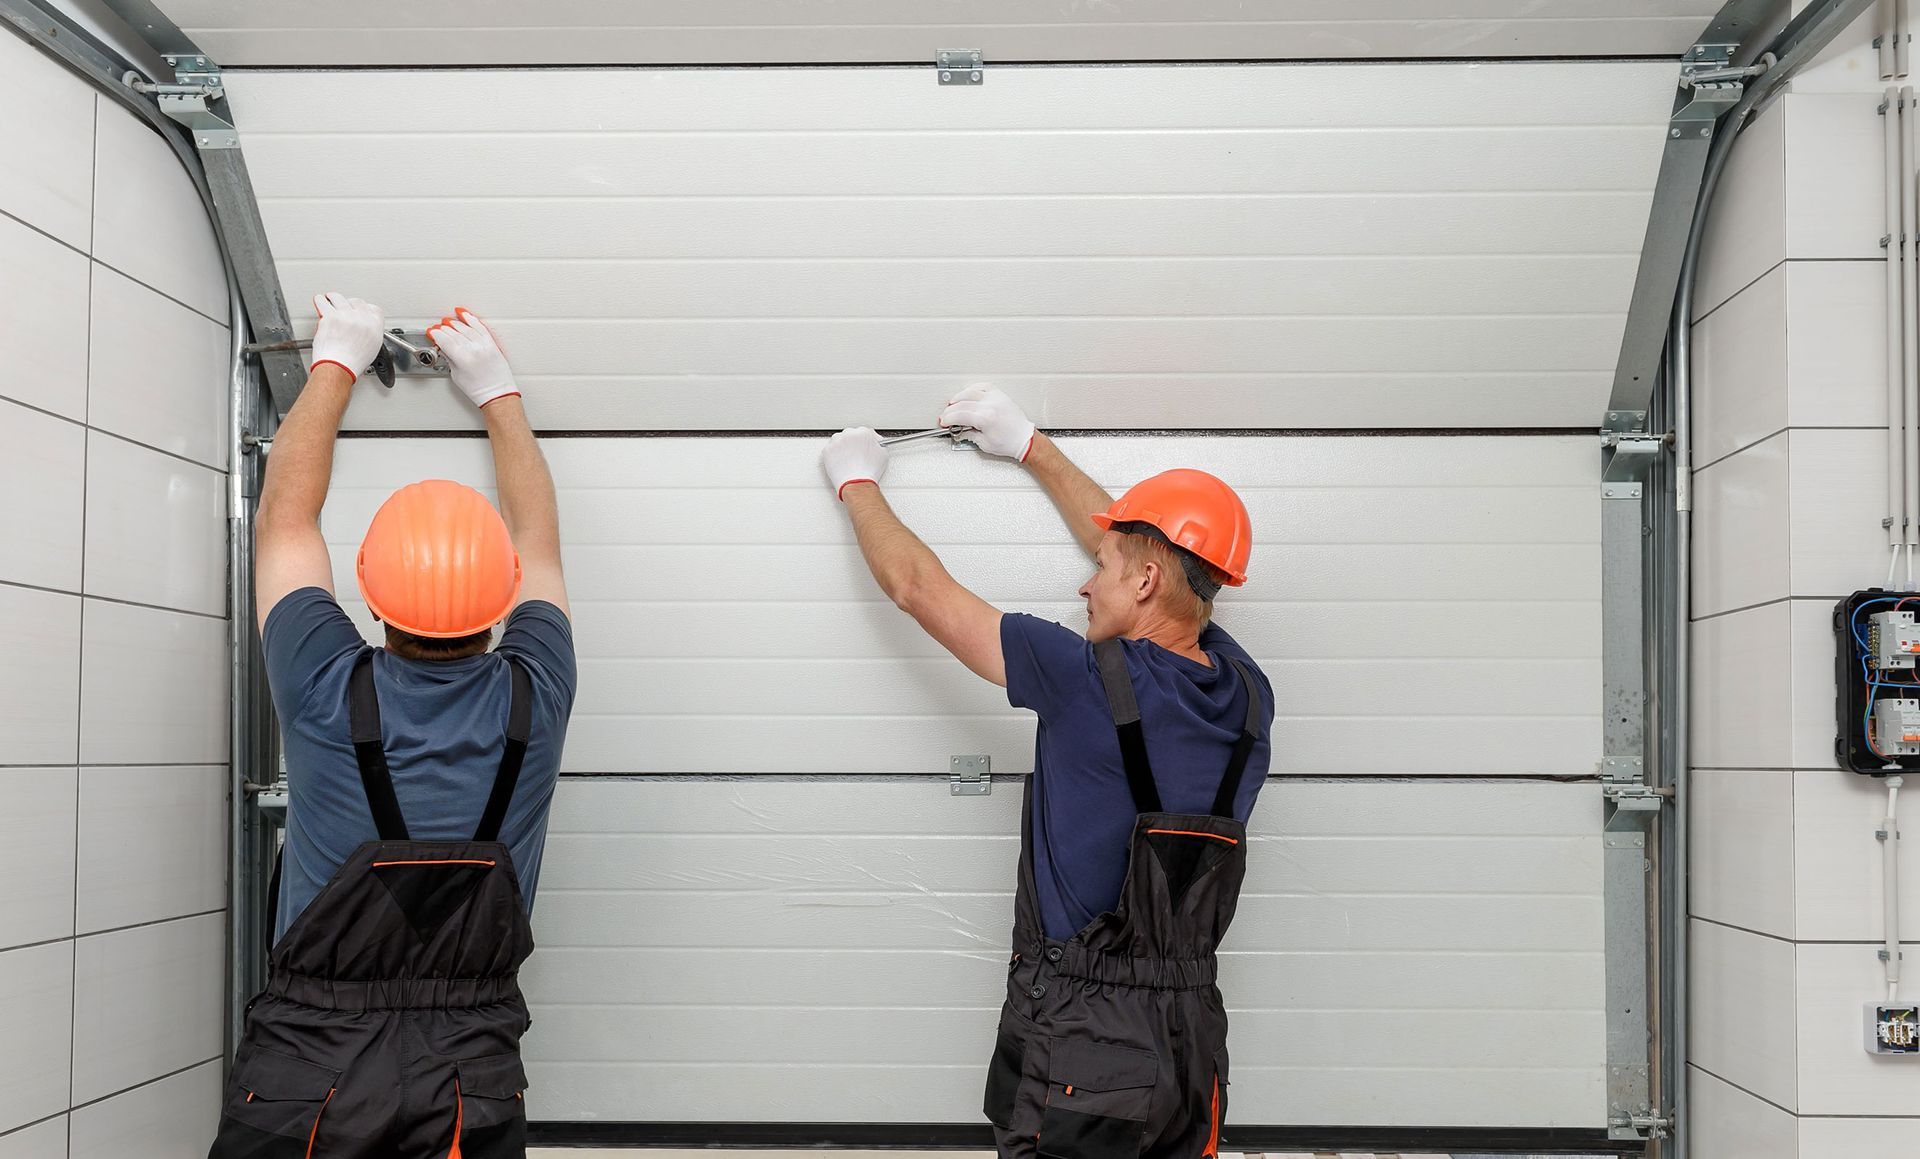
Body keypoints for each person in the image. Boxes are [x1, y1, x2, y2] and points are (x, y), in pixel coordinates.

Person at [822, 386, 1274, 1159]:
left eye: (1101, 566)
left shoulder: (1082, 678)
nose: (1083, 583)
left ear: (1142, 583)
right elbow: (1172, 569)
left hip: (1084, 1040)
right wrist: (1032, 446)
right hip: (1190, 1041)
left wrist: (854, 480)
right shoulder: (1244, 693)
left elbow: (918, 588)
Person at [210, 296, 575, 1159]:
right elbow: (543, 543)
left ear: (369, 598)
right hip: (467, 1075)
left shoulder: (323, 682)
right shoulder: (541, 692)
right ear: (505, 594)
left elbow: (285, 521)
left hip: (308, 1066)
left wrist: (336, 360)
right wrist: (499, 392)